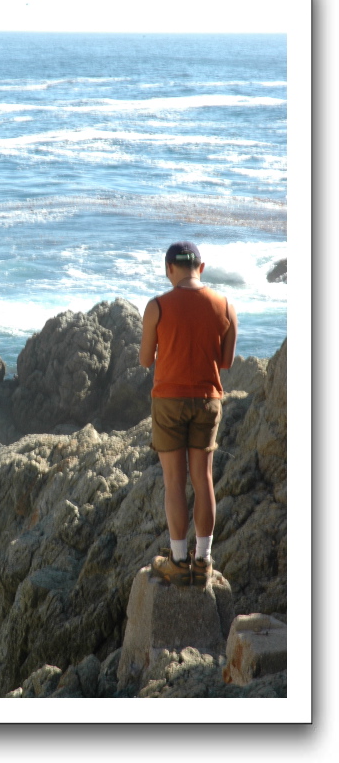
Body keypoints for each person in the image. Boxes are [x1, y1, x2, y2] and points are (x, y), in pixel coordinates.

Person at [139, 241, 238, 587]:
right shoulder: (225, 306)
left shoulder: (157, 306)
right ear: (202, 267)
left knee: (174, 481)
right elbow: (226, 362)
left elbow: (145, 359)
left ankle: (179, 561)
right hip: (208, 400)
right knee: (203, 477)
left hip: (168, 401)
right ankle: (204, 560)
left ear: (169, 269)